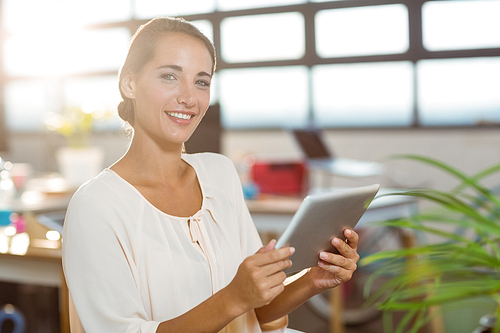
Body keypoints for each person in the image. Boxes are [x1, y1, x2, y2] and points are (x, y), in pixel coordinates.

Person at [62, 17, 360, 333]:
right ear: (129, 84)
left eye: (201, 82)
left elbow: (256, 310)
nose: (189, 98)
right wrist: (233, 298)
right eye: (169, 76)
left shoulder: (220, 173)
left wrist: (313, 280)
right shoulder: (96, 205)